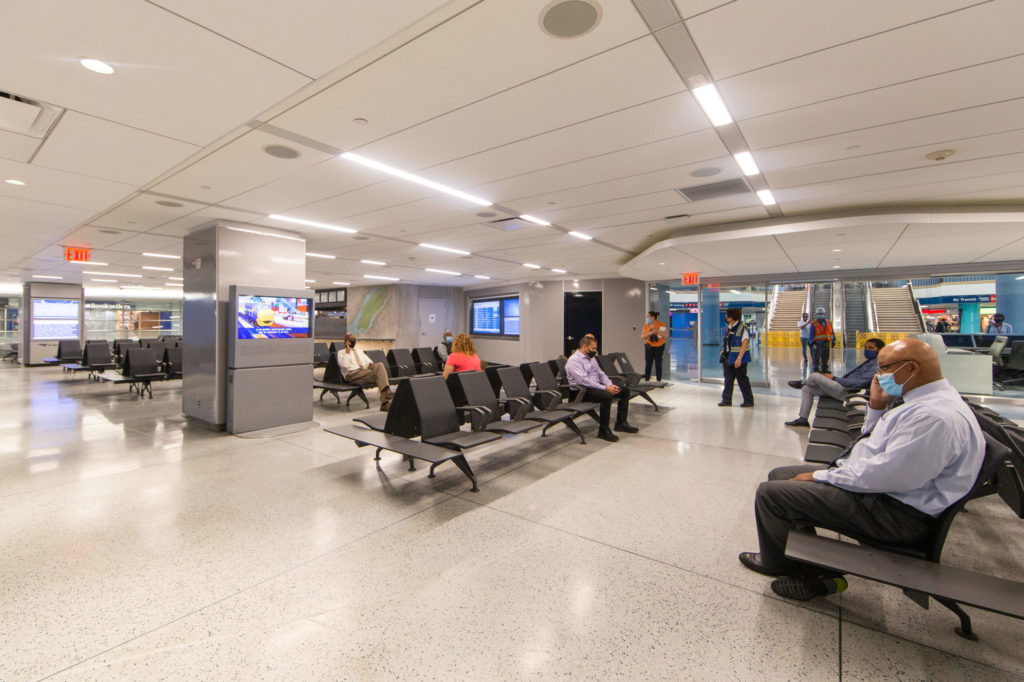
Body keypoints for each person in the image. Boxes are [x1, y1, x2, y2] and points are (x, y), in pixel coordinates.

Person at [738, 338, 985, 601]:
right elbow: (874, 446)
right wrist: (877, 408)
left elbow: (886, 475)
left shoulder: (934, 417)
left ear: (911, 369)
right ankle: (807, 562)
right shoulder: (923, 403)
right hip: (884, 493)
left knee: (771, 494)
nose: (879, 377)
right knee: (780, 476)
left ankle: (787, 567)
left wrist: (821, 476)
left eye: (884, 369)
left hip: (894, 513)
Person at [784, 338, 884, 427]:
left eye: (871, 348)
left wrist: (834, 378)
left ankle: (803, 383)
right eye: (866, 347)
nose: (867, 350)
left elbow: (858, 383)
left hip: (850, 392)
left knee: (814, 376)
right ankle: (803, 419)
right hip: (845, 388)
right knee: (807, 389)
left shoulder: (876, 365)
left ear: (879, 350)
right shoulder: (870, 362)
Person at [565, 334, 637, 442]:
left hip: (595, 387)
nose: (595, 350)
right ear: (584, 346)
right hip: (581, 391)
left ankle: (621, 423)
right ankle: (603, 431)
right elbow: (583, 381)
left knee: (624, 391)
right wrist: (605, 388)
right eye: (593, 348)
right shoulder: (574, 360)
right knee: (607, 396)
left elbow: (600, 373)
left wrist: (609, 385)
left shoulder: (591, 358)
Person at [337, 333, 393, 411]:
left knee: (380, 365)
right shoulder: (341, 353)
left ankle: (386, 393)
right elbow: (345, 366)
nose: (353, 340)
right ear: (346, 341)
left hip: (364, 371)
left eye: (354, 338)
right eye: (351, 339)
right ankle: (385, 401)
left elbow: (368, 361)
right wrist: (347, 351)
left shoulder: (360, 351)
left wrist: (370, 364)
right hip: (352, 374)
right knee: (380, 376)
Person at [718, 308, 754, 407]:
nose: (725, 317)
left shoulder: (743, 328)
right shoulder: (729, 327)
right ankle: (726, 400)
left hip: (739, 359)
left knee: (742, 380)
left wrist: (739, 358)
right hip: (728, 358)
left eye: (726, 315)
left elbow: (744, 343)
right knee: (728, 379)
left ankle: (748, 400)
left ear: (730, 317)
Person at [641, 310, 667, 381]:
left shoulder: (661, 324)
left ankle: (659, 380)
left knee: (658, 364)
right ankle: (647, 379)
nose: (647, 318)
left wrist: (657, 331)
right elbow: (643, 336)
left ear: (652, 317)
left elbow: (665, 335)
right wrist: (651, 332)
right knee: (648, 364)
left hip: (659, 347)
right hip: (649, 347)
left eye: (648, 317)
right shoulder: (646, 326)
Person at [809, 307, 835, 374]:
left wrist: (834, 340)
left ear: (824, 314)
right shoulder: (814, 323)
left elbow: (832, 332)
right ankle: (816, 369)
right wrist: (811, 342)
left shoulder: (829, 322)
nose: (820, 315)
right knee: (817, 357)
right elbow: (811, 333)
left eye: (822, 313)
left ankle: (824, 369)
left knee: (826, 356)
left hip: (826, 342)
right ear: (817, 314)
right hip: (818, 343)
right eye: (819, 314)